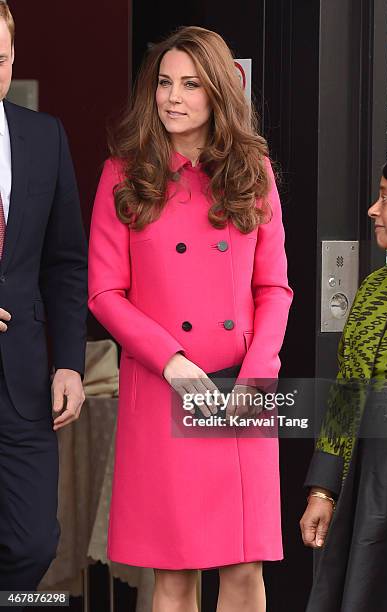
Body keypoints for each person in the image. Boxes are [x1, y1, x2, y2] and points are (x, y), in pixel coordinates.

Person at [88, 25, 293, 612]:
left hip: (241, 389)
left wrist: (257, 377)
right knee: (174, 574)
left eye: (190, 84)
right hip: (163, 389)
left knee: (245, 567)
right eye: (164, 83)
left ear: (219, 95)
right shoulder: (123, 174)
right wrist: (171, 362)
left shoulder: (254, 175)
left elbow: (274, 287)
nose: (172, 97)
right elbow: (104, 291)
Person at [300, 139, 387, 611]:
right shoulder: (376, 289)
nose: (375, 209)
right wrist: (322, 489)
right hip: (370, 491)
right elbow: (347, 396)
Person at [0, 1, 87, 597]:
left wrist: (70, 363)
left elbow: (65, 263)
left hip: (24, 377)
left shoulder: (44, 135)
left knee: (33, 542)